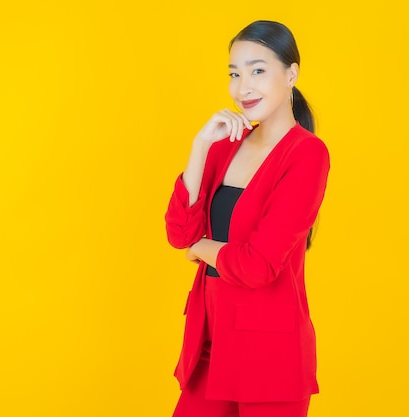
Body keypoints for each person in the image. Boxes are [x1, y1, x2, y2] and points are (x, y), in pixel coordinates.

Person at [164, 20, 331, 417]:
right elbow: (179, 232)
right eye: (235, 74)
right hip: (210, 344)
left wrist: (201, 247)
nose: (244, 87)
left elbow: (258, 266)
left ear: (291, 74)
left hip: (269, 356)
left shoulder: (307, 155)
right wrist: (201, 145)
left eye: (258, 70)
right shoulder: (225, 146)